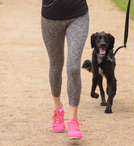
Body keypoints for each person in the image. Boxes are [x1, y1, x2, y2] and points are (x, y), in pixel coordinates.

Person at [40, 0, 89, 140]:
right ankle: (58, 109)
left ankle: (73, 119)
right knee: (56, 65)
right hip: (50, 19)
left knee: (73, 67)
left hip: (78, 15)